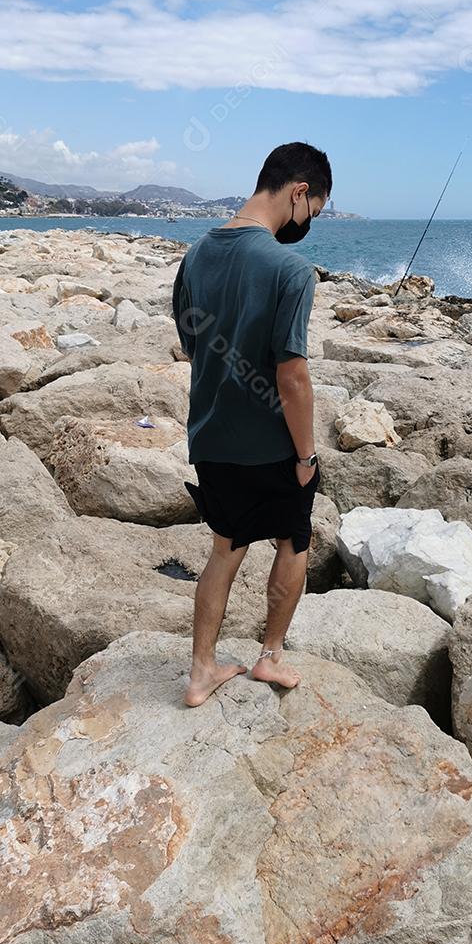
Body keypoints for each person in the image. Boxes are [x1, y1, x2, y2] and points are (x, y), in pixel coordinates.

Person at [172, 141, 331, 706]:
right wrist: (307, 456)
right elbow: (292, 376)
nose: (309, 224)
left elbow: (194, 346)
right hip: (272, 447)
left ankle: (200, 671)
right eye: (314, 212)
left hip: (212, 437)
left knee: (225, 548)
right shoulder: (290, 268)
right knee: (293, 542)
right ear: (299, 192)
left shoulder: (195, 256)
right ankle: (269, 658)